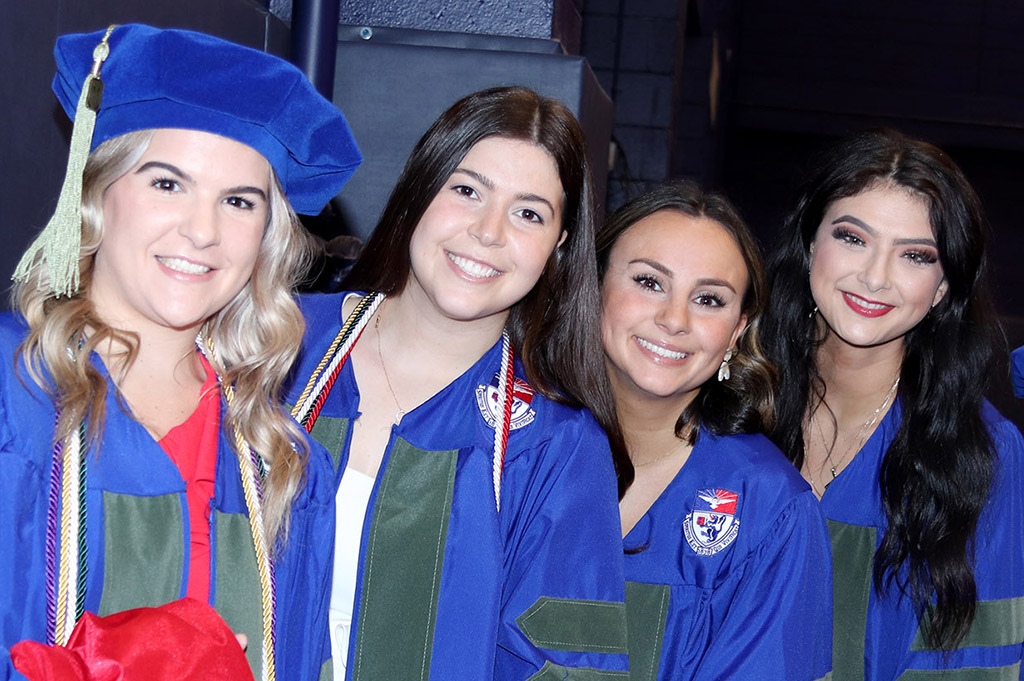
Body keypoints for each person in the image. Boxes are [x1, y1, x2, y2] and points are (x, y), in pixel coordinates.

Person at [0, 24, 361, 681]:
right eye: (168, 183)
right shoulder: (12, 392)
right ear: (96, 193)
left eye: (239, 201)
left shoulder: (283, 463)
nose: (203, 230)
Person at [286, 86, 631, 680]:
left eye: (529, 213)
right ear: (421, 189)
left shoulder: (556, 443)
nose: (488, 232)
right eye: (467, 191)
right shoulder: (280, 344)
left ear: (560, 245)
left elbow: (568, 667)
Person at [761, 128, 1024, 680]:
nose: (875, 277)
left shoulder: (983, 455)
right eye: (853, 238)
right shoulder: (733, 406)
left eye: (914, 255)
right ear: (811, 244)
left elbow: (974, 667)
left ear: (944, 286)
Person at [596, 181, 833, 681]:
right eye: (648, 282)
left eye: (708, 299)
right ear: (592, 288)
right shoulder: (511, 450)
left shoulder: (770, 508)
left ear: (738, 331)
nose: (674, 319)